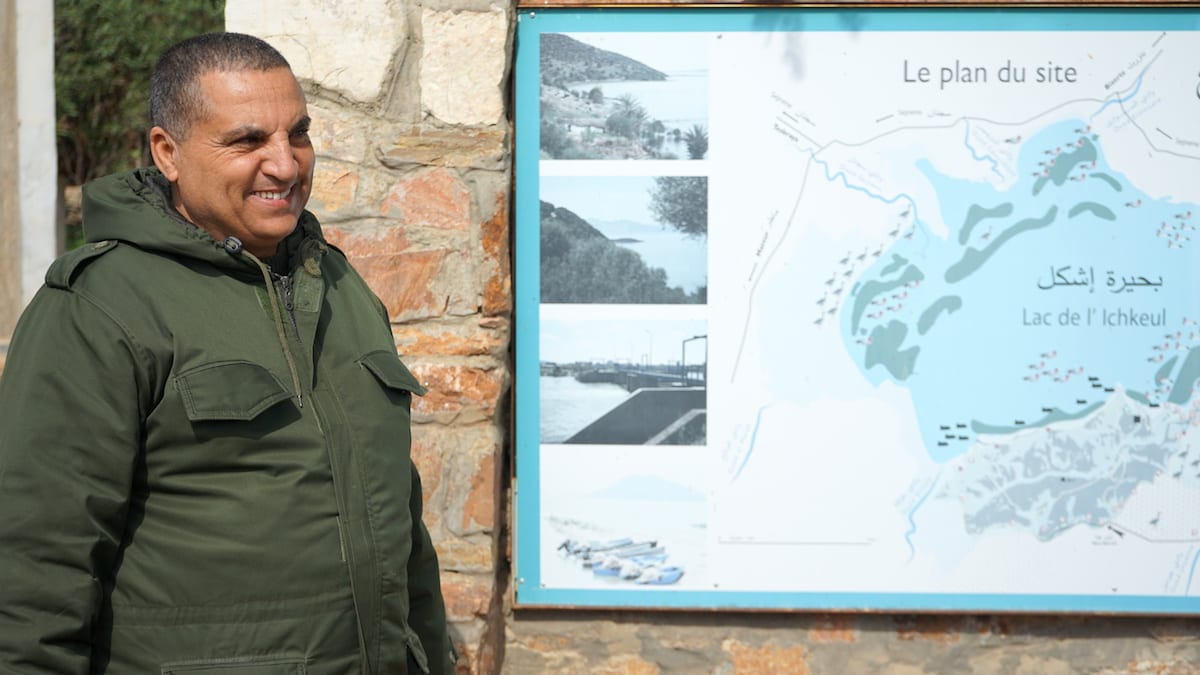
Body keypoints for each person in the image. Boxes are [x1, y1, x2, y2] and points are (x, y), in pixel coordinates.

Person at [0, 32, 455, 674]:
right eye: (247, 141)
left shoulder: (344, 291)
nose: (286, 165)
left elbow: (401, 531)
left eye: (297, 134)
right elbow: (32, 567)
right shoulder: (98, 308)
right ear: (168, 152)